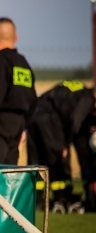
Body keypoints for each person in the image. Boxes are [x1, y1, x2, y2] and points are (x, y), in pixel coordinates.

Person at [27, 81, 95, 214]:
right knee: (57, 161)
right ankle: (63, 197)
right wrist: (65, 144)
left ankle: (36, 199)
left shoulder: (76, 88)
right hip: (50, 119)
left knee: (36, 160)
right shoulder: (88, 97)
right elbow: (75, 120)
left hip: (34, 115)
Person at [0, 17, 37, 165]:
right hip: (17, 129)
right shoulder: (23, 63)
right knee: (9, 174)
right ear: (15, 38)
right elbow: (33, 100)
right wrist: (24, 128)